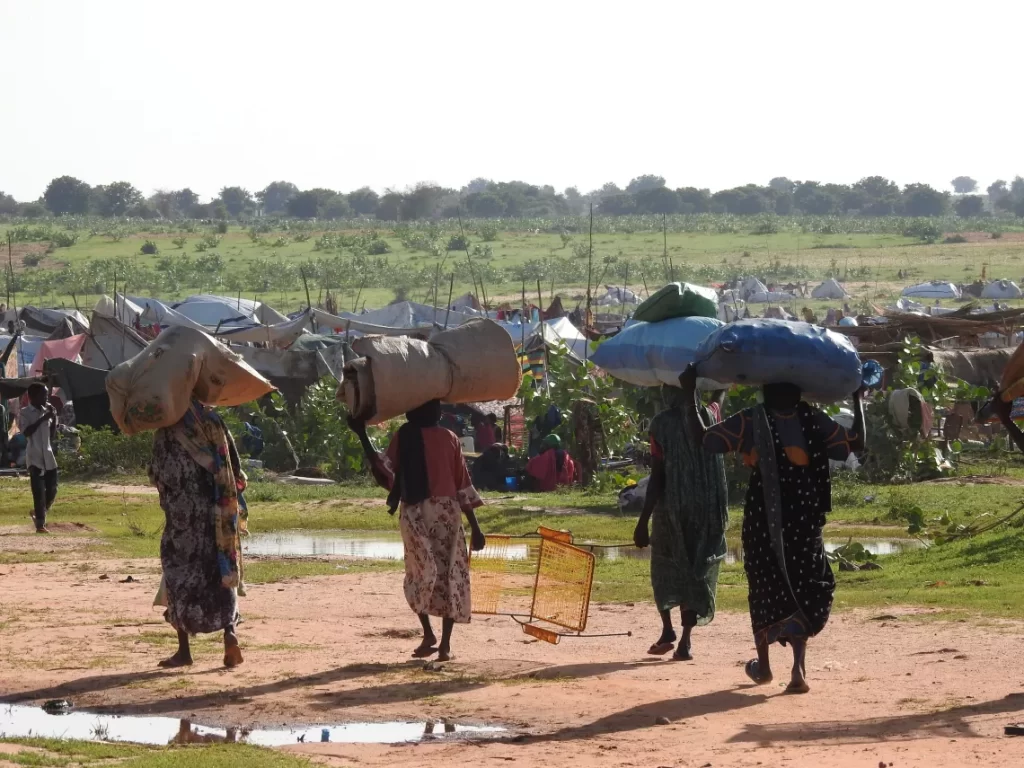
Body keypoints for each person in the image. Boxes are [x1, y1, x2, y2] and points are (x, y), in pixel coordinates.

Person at [680, 364, 865, 694]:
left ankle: (764, 667)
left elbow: (705, 440)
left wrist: (690, 392)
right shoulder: (813, 420)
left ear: (765, 391)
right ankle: (797, 670)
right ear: (797, 392)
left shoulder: (752, 420)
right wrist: (858, 397)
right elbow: (856, 443)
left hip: (765, 519)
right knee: (801, 585)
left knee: (766, 586)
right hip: (805, 522)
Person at [349, 400, 486, 661]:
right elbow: (462, 486)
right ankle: (440, 642)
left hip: (416, 511)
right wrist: (475, 527)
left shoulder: (413, 436)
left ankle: (434, 638)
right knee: (448, 575)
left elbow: (383, 473)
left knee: (419, 571)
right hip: (447, 513)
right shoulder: (446, 437)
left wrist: (362, 434)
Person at [149, 401, 247, 669]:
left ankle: (184, 651)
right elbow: (234, 466)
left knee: (177, 574)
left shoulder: (167, 428)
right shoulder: (212, 420)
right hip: (217, 513)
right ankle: (230, 633)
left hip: (183, 519)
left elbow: (160, 472)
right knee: (220, 570)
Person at [633, 386, 728, 661]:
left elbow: (658, 477)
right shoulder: (709, 417)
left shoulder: (661, 425)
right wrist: (720, 382)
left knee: (664, 566)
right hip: (707, 512)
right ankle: (684, 641)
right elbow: (717, 401)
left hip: (671, 511)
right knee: (695, 571)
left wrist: (643, 521)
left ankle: (667, 630)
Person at [18, 383, 59, 533]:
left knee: (52, 489)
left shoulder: (47, 410)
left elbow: (52, 435)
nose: (47, 398)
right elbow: (26, 432)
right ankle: (40, 524)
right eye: (44, 395)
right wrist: (43, 419)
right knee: (38, 491)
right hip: (34, 456)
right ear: (32, 397)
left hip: (48, 456)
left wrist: (53, 419)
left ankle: (40, 511)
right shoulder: (24, 413)